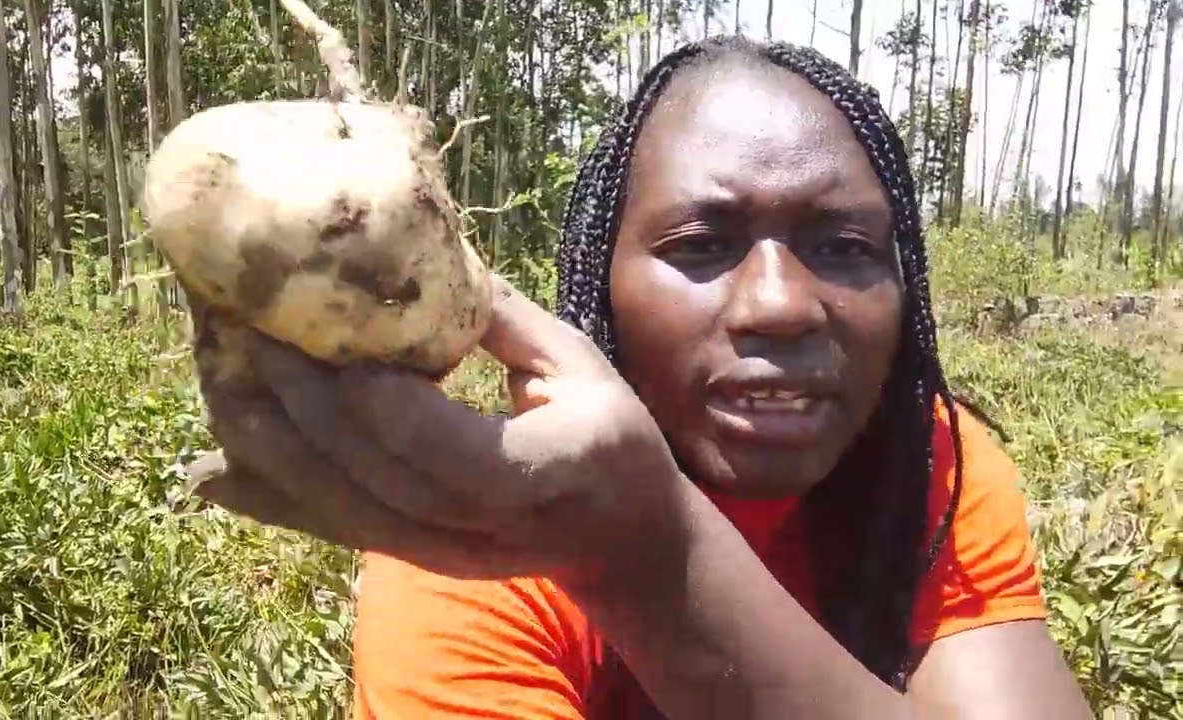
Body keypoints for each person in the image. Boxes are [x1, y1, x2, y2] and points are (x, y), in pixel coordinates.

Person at [193, 37, 1093, 719]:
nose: (780, 304)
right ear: (601, 285)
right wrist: (616, 555)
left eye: (844, 247)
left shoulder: (929, 466)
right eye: (700, 246)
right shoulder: (480, 552)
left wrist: (652, 560)